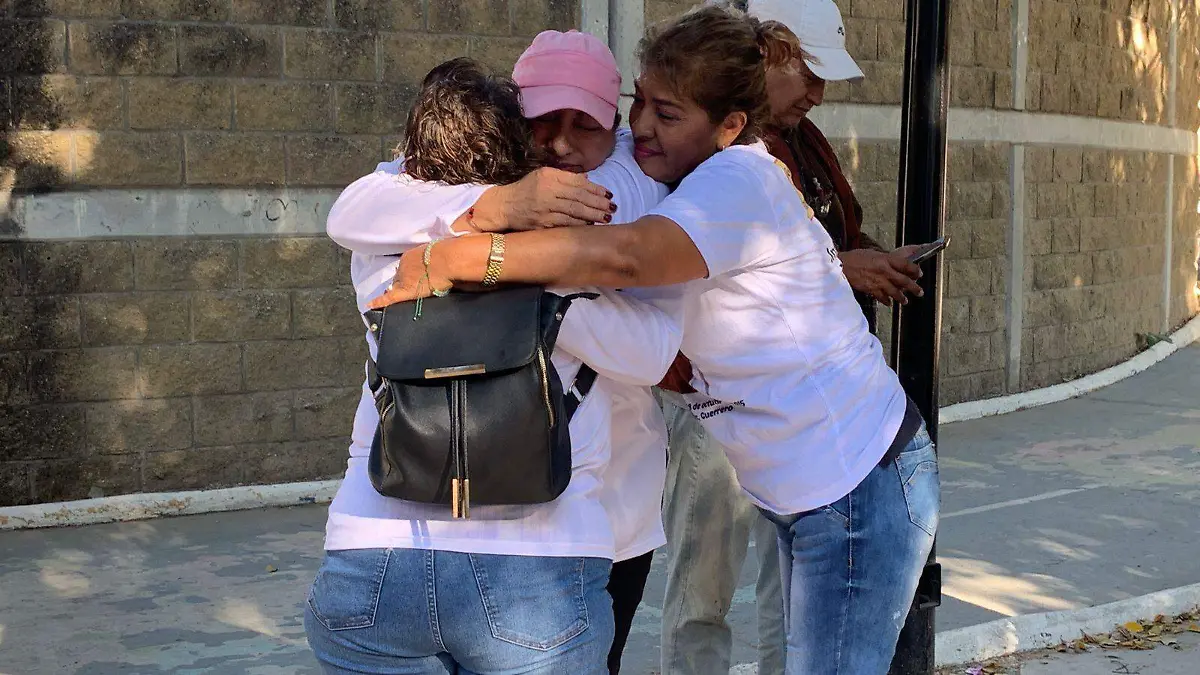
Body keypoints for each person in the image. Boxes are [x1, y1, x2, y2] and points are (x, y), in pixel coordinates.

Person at [370, 6, 940, 674]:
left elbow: (626, 257)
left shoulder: (739, 180)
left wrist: (464, 259)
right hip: (811, 487)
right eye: (639, 100)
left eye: (667, 114)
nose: (640, 125)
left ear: (730, 126)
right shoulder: (669, 171)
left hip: (857, 483)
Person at [305, 58, 681, 674]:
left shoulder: (382, 252)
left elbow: (359, 205)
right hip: (534, 574)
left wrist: (478, 235)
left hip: (370, 564)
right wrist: (538, 268)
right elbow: (652, 352)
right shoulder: (559, 268)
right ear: (520, 165)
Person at [656, 2, 926, 673]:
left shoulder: (803, 145)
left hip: (804, 419)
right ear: (765, 56)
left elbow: (813, 243)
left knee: (800, 600)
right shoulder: (710, 156)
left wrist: (868, 258)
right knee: (704, 583)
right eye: (809, 72)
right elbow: (701, 258)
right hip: (724, 398)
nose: (818, 93)